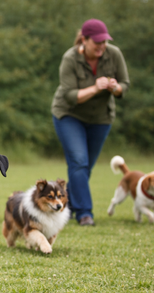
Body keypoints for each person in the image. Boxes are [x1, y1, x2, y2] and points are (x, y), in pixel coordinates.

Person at [51, 18, 130, 226]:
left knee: (83, 168)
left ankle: (71, 206)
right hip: (69, 115)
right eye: (97, 42)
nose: (102, 47)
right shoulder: (69, 58)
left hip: (101, 118)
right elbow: (70, 96)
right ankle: (85, 213)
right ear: (84, 40)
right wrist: (96, 88)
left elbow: (125, 86)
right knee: (79, 161)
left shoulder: (114, 54)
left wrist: (115, 88)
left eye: (104, 42)